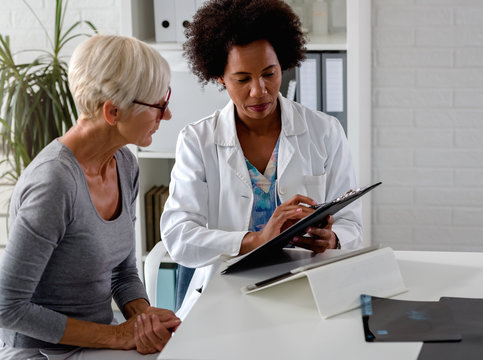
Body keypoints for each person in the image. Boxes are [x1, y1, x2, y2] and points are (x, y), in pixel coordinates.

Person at [161, 0, 362, 316]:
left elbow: (352, 223)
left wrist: (333, 238)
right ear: (219, 78)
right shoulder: (197, 141)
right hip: (225, 296)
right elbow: (179, 236)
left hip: (309, 290)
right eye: (242, 79)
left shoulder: (325, 131)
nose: (260, 91)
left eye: (270, 73)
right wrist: (254, 240)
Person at [0, 34, 180, 359]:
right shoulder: (53, 183)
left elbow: (122, 273)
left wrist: (143, 320)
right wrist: (117, 336)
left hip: (96, 342)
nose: (166, 115)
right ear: (113, 112)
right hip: (42, 352)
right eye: (159, 104)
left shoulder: (124, 164)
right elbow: (7, 307)